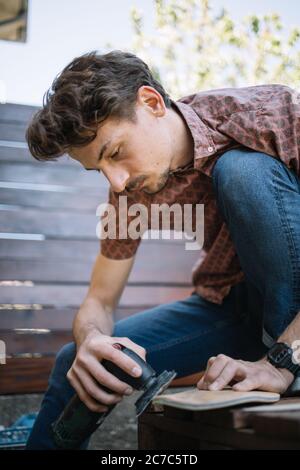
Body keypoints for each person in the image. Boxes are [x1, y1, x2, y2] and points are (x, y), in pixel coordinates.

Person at [25, 50, 300, 449]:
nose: (116, 183)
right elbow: (99, 301)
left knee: (242, 172)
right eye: (98, 170)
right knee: (79, 362)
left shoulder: (269, 114)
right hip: (231, 306)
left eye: (115, 152)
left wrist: (282, 361)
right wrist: (92, 341)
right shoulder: (130, 191)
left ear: (151, 102)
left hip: (290, 324)